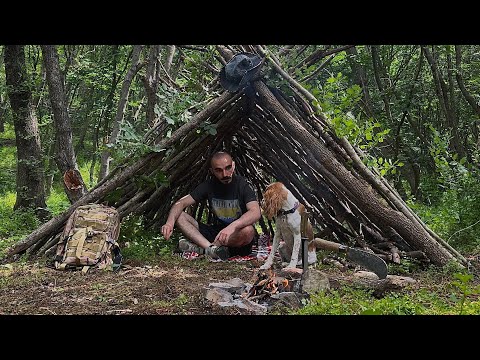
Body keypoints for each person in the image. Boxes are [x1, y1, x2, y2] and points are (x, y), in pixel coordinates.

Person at [161, 151, 261, 260]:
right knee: (179, 216)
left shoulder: (242, 185)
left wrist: (232, 227)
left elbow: (255, 212)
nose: (225, 174)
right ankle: (211, 249)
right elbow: (180, 203)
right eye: (219, 170)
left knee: (248, 231)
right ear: (212, 171)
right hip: (216, 234)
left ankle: (204, 249)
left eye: (228, 168)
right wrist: (169, 223)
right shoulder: (209, 185)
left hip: (236, 238)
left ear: (233, 166)